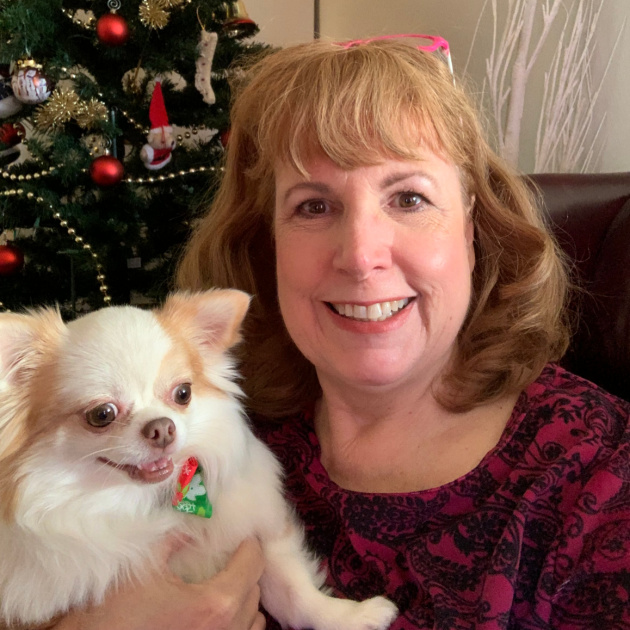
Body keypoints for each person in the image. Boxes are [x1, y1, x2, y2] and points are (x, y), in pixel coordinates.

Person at [43, 36, 629, 630]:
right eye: (313, 207)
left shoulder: (599, 480)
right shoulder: (202, 430)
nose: (359, 255)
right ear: (266, 242)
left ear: (473, 225)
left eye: (408, 198)